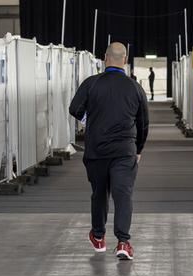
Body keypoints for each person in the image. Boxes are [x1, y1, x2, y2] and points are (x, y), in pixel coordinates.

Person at [69, 42, 149, 261]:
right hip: (125, 151)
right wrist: (138, 149)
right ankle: (123, 241)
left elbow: (74, 109)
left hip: (96, 151)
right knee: (123, 194)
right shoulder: (135, 87)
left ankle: (98, 236)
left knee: (99, 193)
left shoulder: (91, 84)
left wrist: (90, 122)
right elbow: (143, 123)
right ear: (125, 59)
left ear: (105, 58)